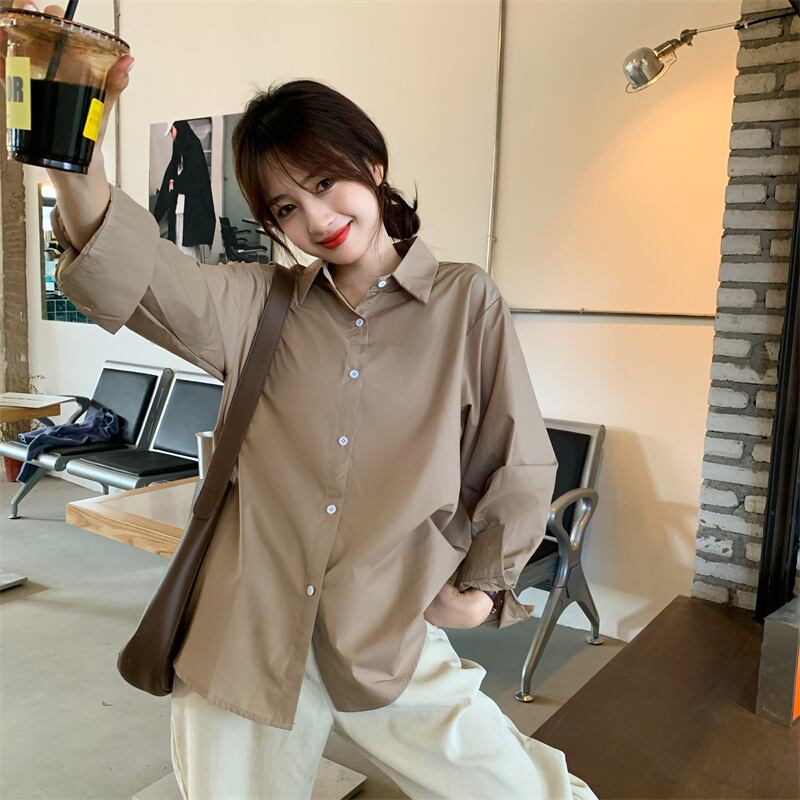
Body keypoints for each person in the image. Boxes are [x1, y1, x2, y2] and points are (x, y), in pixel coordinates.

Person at [2, 4, 597, 798]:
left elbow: (514, 456)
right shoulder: (259, 305)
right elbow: (131, 263)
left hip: (388, 630)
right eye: (286, 207)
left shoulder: (465, 302)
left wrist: (488, 591)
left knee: (524, 790)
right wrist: (69, 145)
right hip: (243, 634)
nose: (316, 218)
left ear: (371, 163)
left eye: (324, 183)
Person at [152, 119, 216, 261]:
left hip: (190, 208)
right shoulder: (180, 148)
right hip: (181, 208)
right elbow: (171, 177)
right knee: (181, 243)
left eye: (172, 131)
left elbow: (196, 178)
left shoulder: (192, 146)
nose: (171, 135)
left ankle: (190, 272)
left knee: (187, 246)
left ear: (179, 128)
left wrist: (175, 184)